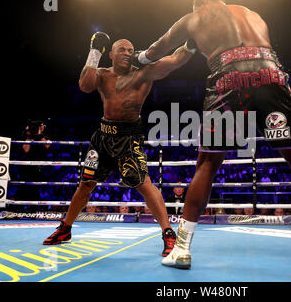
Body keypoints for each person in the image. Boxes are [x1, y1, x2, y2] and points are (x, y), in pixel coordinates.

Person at [130, 0, 291, 272]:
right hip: (271, 73)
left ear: (200, 4)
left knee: (207, 164)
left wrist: (141, 58)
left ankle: (181, 249)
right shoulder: (252, 13)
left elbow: (162, 46)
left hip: (228, 78)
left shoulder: (195, 16)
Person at [43, 31, 195, 257]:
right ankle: (65, 229)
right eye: (122, 50)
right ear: (111, 54)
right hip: (102, 137)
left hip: (129, 137)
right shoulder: (102, 74)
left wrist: (191, 43)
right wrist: (94, 53)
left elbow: (174, 61)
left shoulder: (144, 73)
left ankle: (168, 234)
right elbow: (85, 86)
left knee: (144, 184)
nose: (127, 53)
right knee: (86, 184)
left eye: (131, 50)